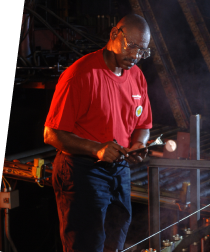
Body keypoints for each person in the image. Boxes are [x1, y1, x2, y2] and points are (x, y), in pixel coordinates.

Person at [44, 13, 152, 252]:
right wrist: (97, 149)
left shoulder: (137, 76)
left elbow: (143, 125)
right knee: (87, 245)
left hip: (119, 170)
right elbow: (51, 134)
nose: (135, 56)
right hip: (81, 171)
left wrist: (138, 145)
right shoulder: (80, 75)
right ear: (114, 34)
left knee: (116, 242)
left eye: (142, 51)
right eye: (131, 46)